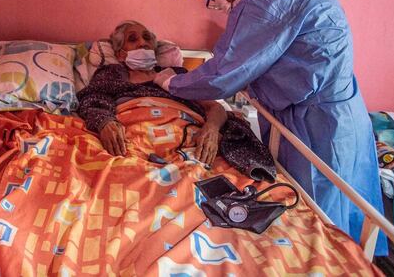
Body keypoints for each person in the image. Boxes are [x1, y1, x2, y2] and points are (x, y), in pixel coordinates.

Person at [153, 0, 386, 253]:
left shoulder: (264, 3)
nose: (217, 7)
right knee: (336, 199)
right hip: (331, 108)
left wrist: (173, 83)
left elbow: (224, 73)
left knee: (324, 210)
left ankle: (332, 260)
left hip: (320, 121)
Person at [77, 20, 276, 181]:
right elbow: (94, 99)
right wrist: (105, 122)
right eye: (133, 39)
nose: (143, 43)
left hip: (188, 131)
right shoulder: (112, 73)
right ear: (121, 54)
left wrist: (212, 129)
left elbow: (214, 107)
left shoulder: (178, 75)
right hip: (134, 133)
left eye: (147, 38)